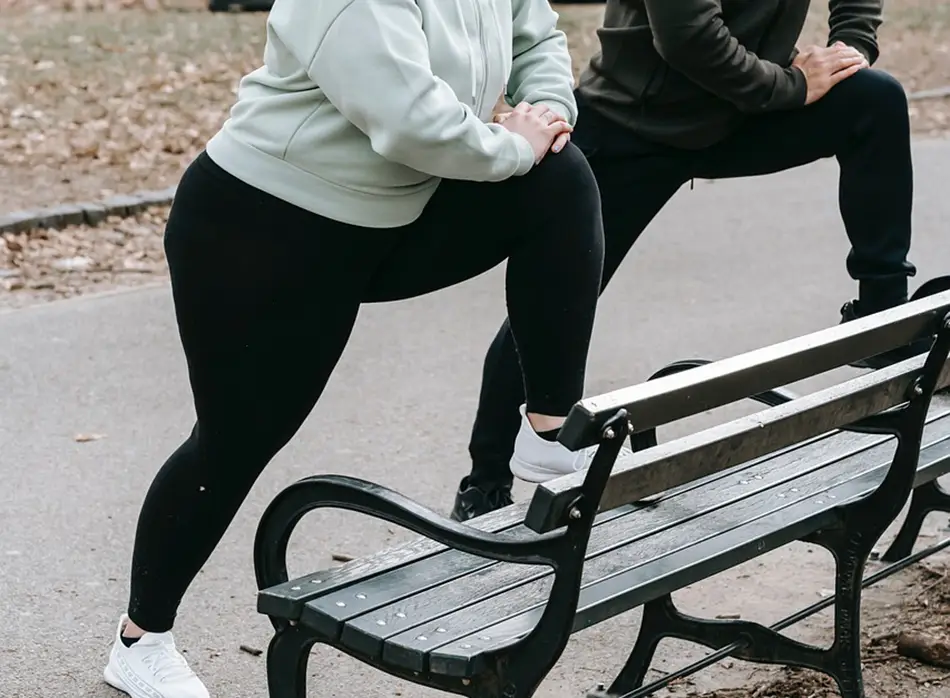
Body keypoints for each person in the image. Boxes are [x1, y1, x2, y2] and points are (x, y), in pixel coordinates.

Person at [101, 0, 626, 695]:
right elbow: (413, 124)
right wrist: (514, 147)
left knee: (559, 181)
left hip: (395, 211)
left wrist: (549, 117)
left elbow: (539, 39)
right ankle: (140, 640)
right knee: (234, 443)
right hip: (264, 229)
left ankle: (551, 425)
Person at [451, 0, 928, 522]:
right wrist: (791, 85)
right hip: (637, 121)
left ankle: (885, 324)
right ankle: (485, 484)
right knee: (553, 305)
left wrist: (849, 51)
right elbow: (686, 35)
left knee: (874, 98)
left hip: (746, 107)